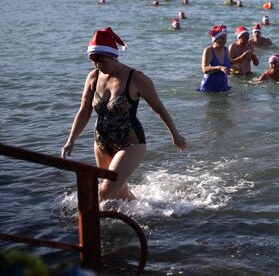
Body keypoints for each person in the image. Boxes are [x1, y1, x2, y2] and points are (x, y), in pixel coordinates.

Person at [61, 27, 186, 201]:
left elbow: (159, 108)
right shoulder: (93, 77)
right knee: (118, 194)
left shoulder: (136, 78)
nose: (98, 66)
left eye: (101, 61)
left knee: (105, 193)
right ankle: (149, 212)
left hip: (130, 143)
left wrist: (175, 135)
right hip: (101, 143)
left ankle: (95, 223)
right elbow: (84, 112)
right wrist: (71, 140)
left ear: (113, 56)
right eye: (93, 61)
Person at [197, 25, 232, 92]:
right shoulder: (209, 50)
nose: (224, 40)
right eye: (221, 38)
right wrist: (219, 68)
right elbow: (205, 69)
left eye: (225, 38)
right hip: (208, 89)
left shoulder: (226, 50)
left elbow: (228, 64)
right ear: (215, 39)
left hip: (223, 88)